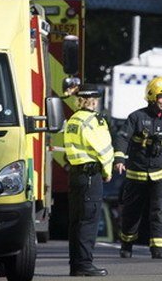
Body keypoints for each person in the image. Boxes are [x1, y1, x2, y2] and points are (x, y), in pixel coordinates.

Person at [114, 76, 162, 260]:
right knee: (131, 213)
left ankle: (158, 249)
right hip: (136, 174)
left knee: (160, 211)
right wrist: (119, 158)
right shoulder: (136, 117)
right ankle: (126, 244)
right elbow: (122, 138)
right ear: (152, 96)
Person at [63, 86, 113, 277]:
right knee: (88, 221)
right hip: (91, 176)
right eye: (96, 100)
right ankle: (84, 263)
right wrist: (107, 171)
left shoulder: (73, 120)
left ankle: (76, 264)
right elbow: (104, 148)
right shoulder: (94, 120)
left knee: (76, 221)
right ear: (92, 101)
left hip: (76, 174)